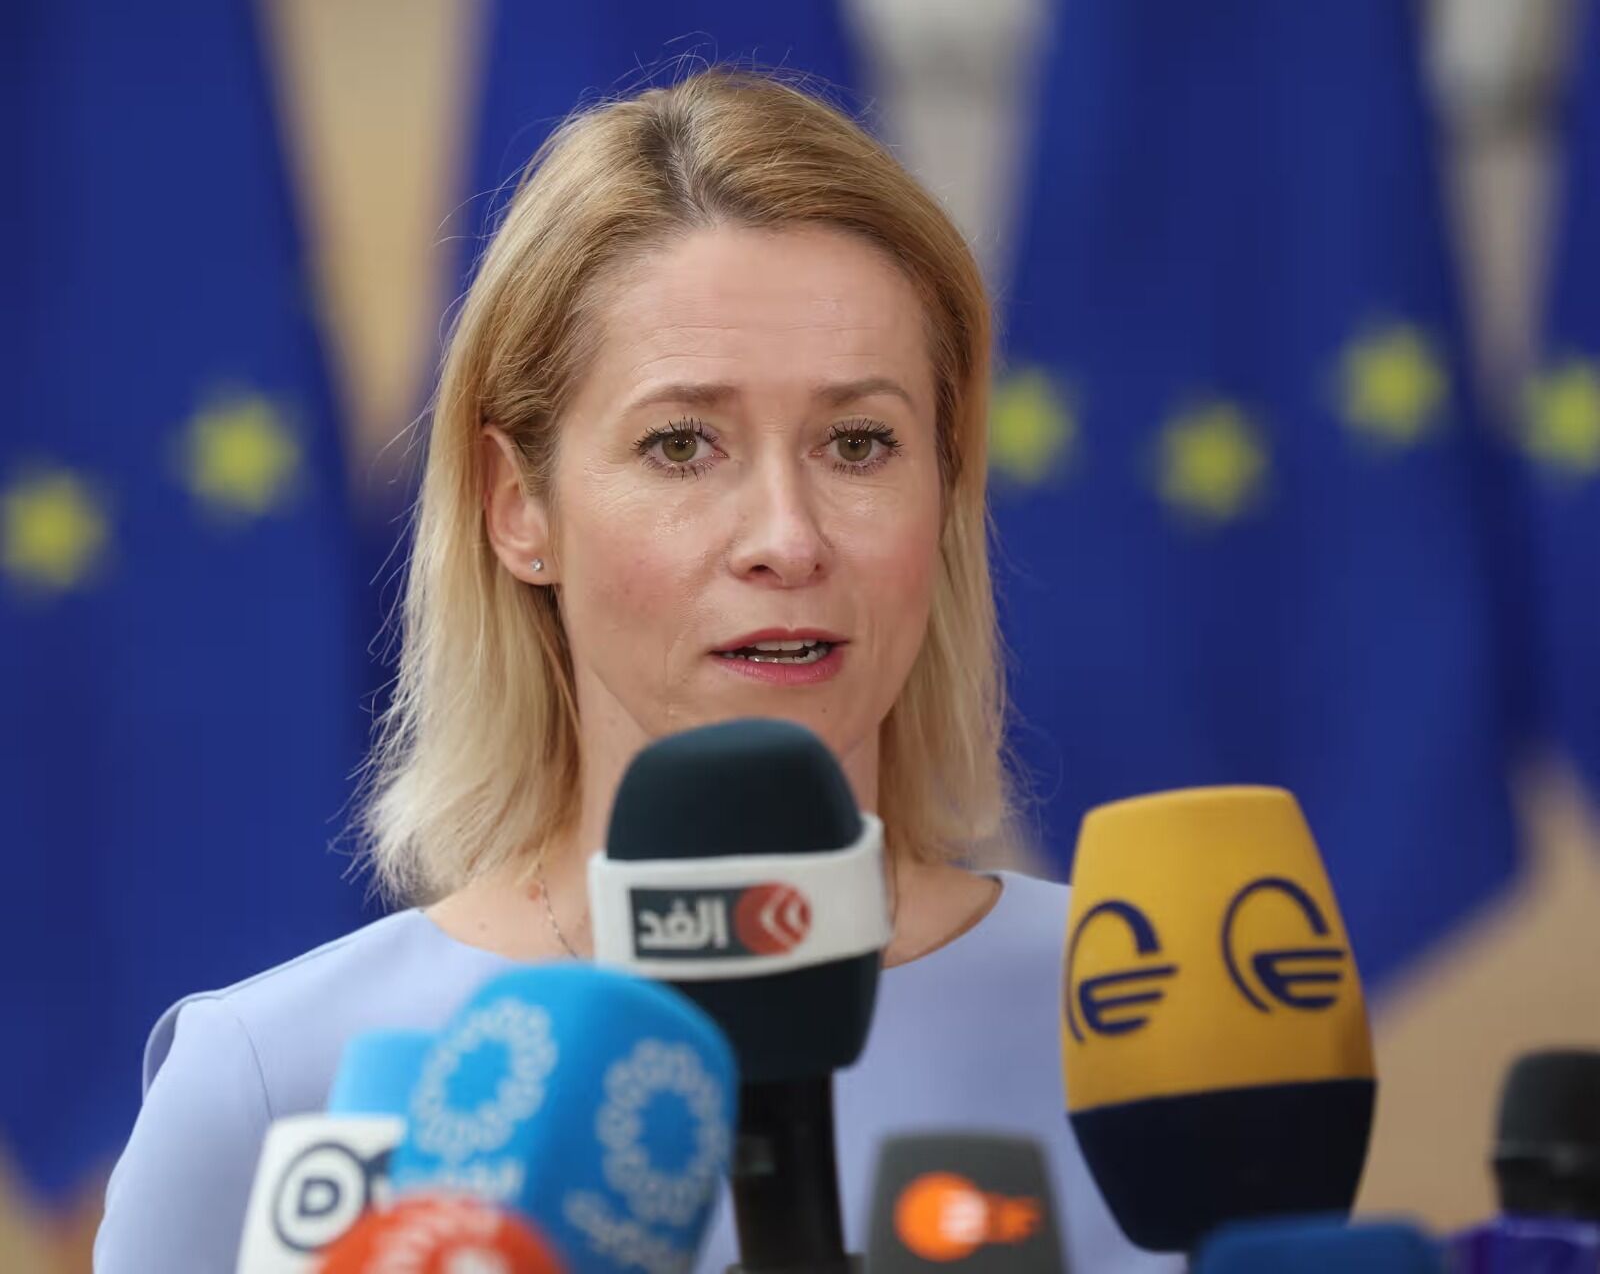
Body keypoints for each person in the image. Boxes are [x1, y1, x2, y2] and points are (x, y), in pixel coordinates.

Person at [94, 67, 1178, 1272]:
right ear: (518, 506)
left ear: (947, 484)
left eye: (859, 442)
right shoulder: (272, 1085)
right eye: (681, 445)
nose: (787, 537)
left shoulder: (1152, 1021)